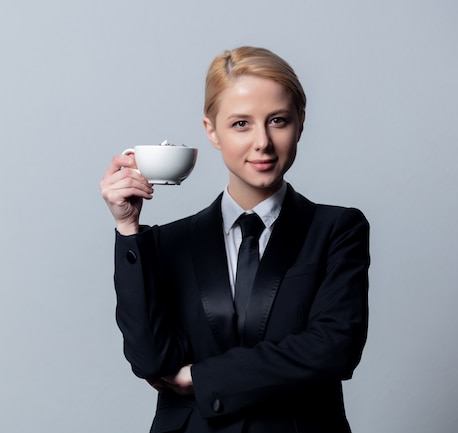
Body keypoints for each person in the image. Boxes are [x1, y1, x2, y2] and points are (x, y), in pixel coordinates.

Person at [100, 46, 370, 433]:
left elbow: (334, 349)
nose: (262, 141)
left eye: (277, 120)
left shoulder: (336, 230)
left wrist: (202, 377)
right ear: (211, 130)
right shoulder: (167, 243)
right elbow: (150, 361)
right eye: (241, 124)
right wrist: (128, 230)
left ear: (301, 122)